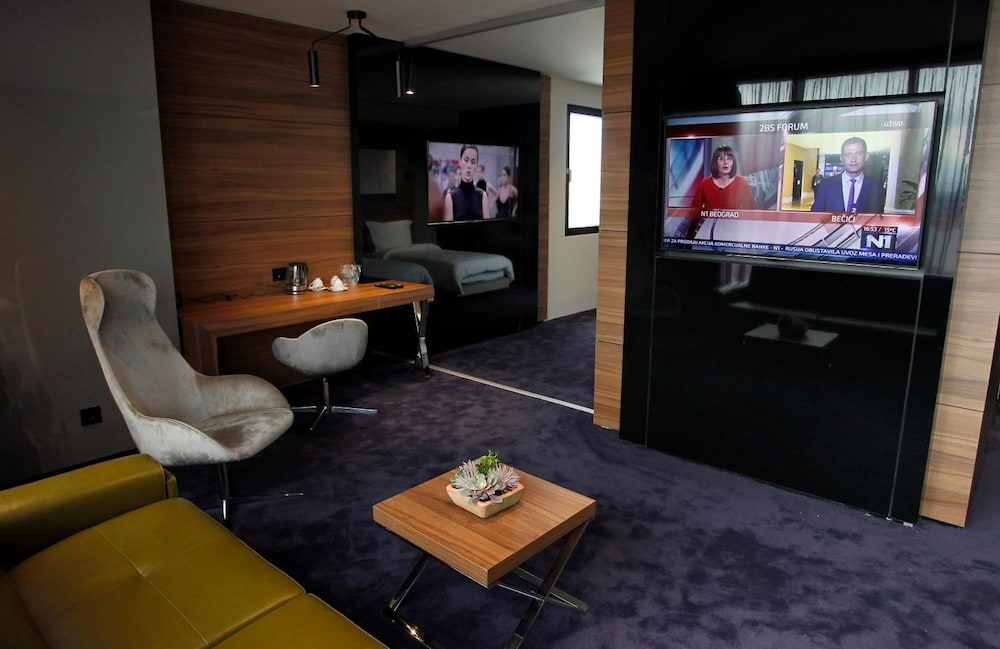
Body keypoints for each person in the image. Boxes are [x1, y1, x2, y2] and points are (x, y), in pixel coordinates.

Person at [683, 145, 754, 238]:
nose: (726, 162)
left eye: (729, 159)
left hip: (733, 234)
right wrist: (688, 239)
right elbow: (694, 213)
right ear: (715, 163)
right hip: (708, 233)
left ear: (733, 162)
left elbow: (750, 214)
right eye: (721, 159)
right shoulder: (704, 184)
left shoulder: (741, 183)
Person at [811, 137, 885, 213]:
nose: (853, 159)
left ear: (866, 156)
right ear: (841, 158)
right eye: (848, 155)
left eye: (858, 154)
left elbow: (878, 217)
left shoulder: (876, 188)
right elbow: (815, 216)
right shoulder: (826, 185)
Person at [443, 144, 491, 221]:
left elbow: (488, 226)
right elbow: (448, 228)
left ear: (476, 165)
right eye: (466, 160)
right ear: (460, 162)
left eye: (473, 162)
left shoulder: (482, 196)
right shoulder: (451, 197)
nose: (469, 166)